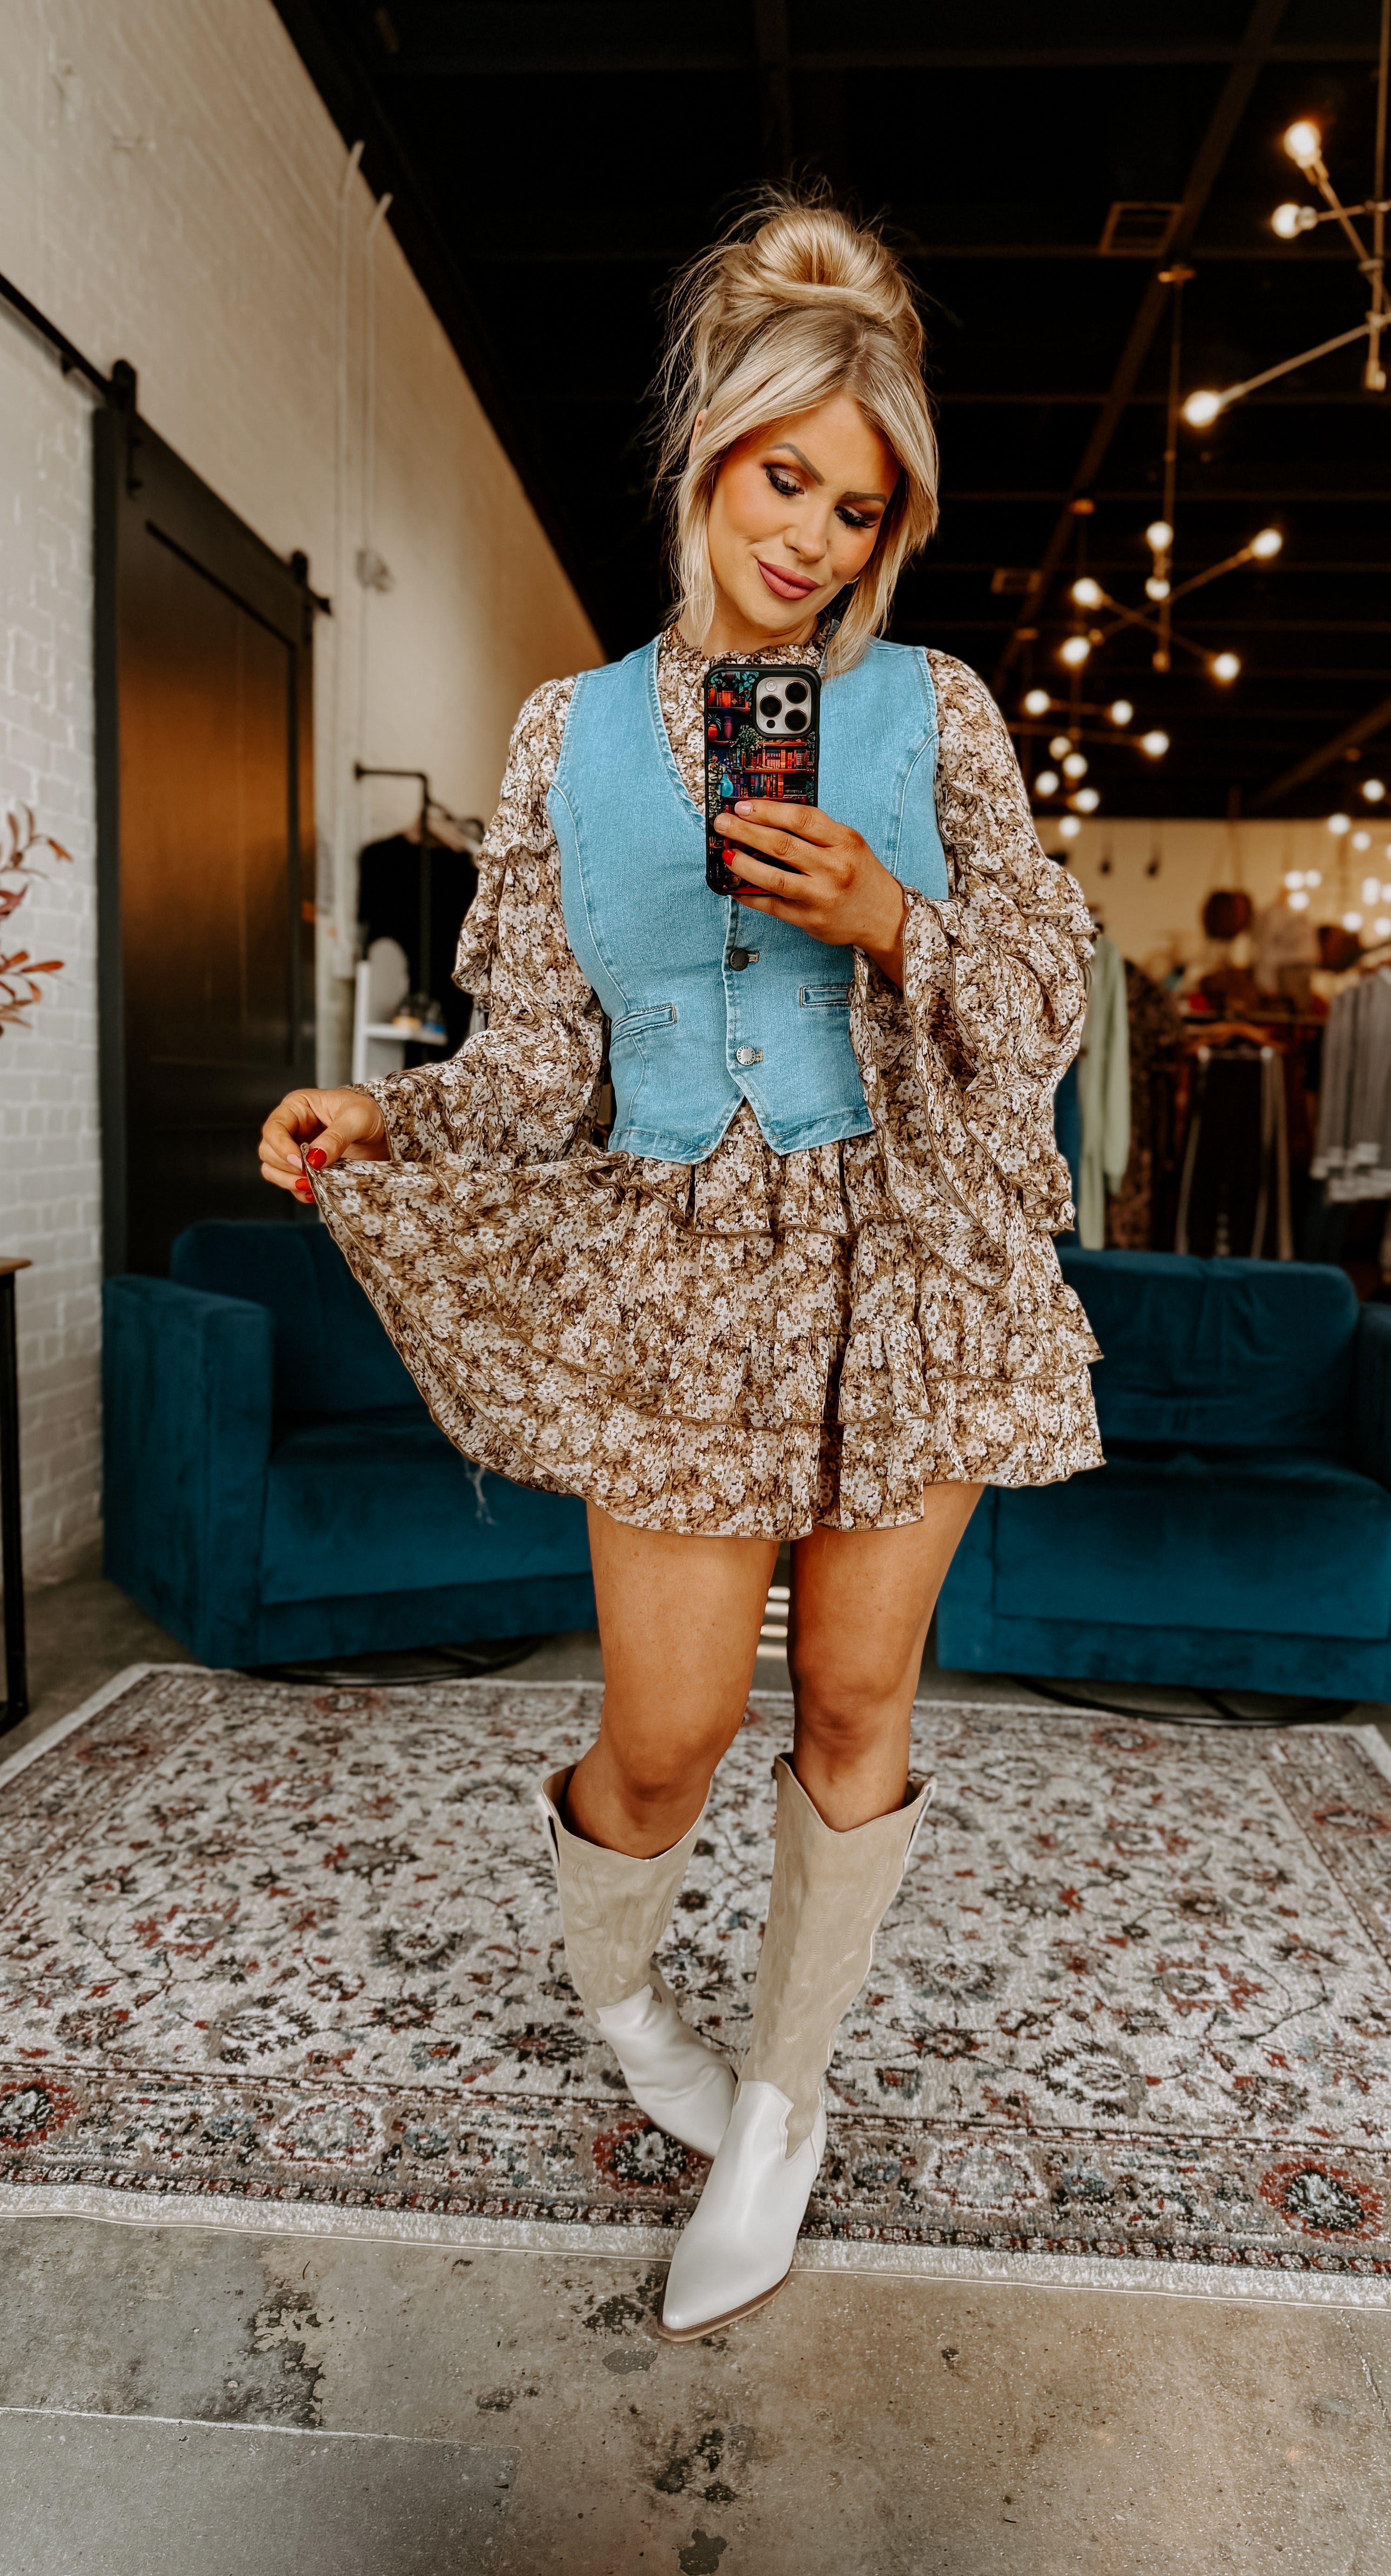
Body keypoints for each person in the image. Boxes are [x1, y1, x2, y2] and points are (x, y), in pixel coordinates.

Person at [258, 191, 1101, 2342]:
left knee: (854, 1700)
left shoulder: (938, 710)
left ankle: (781, 2107)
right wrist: (389, 1115)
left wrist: (890, 916)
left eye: (857, 504)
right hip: (678, 1276)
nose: (812, 536)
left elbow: (1046, 1009)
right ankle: (630, 1999)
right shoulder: (564, 735)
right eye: (783, 478)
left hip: (904, 1256)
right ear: (710, 454)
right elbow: (538, 1062)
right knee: (664, 1733)